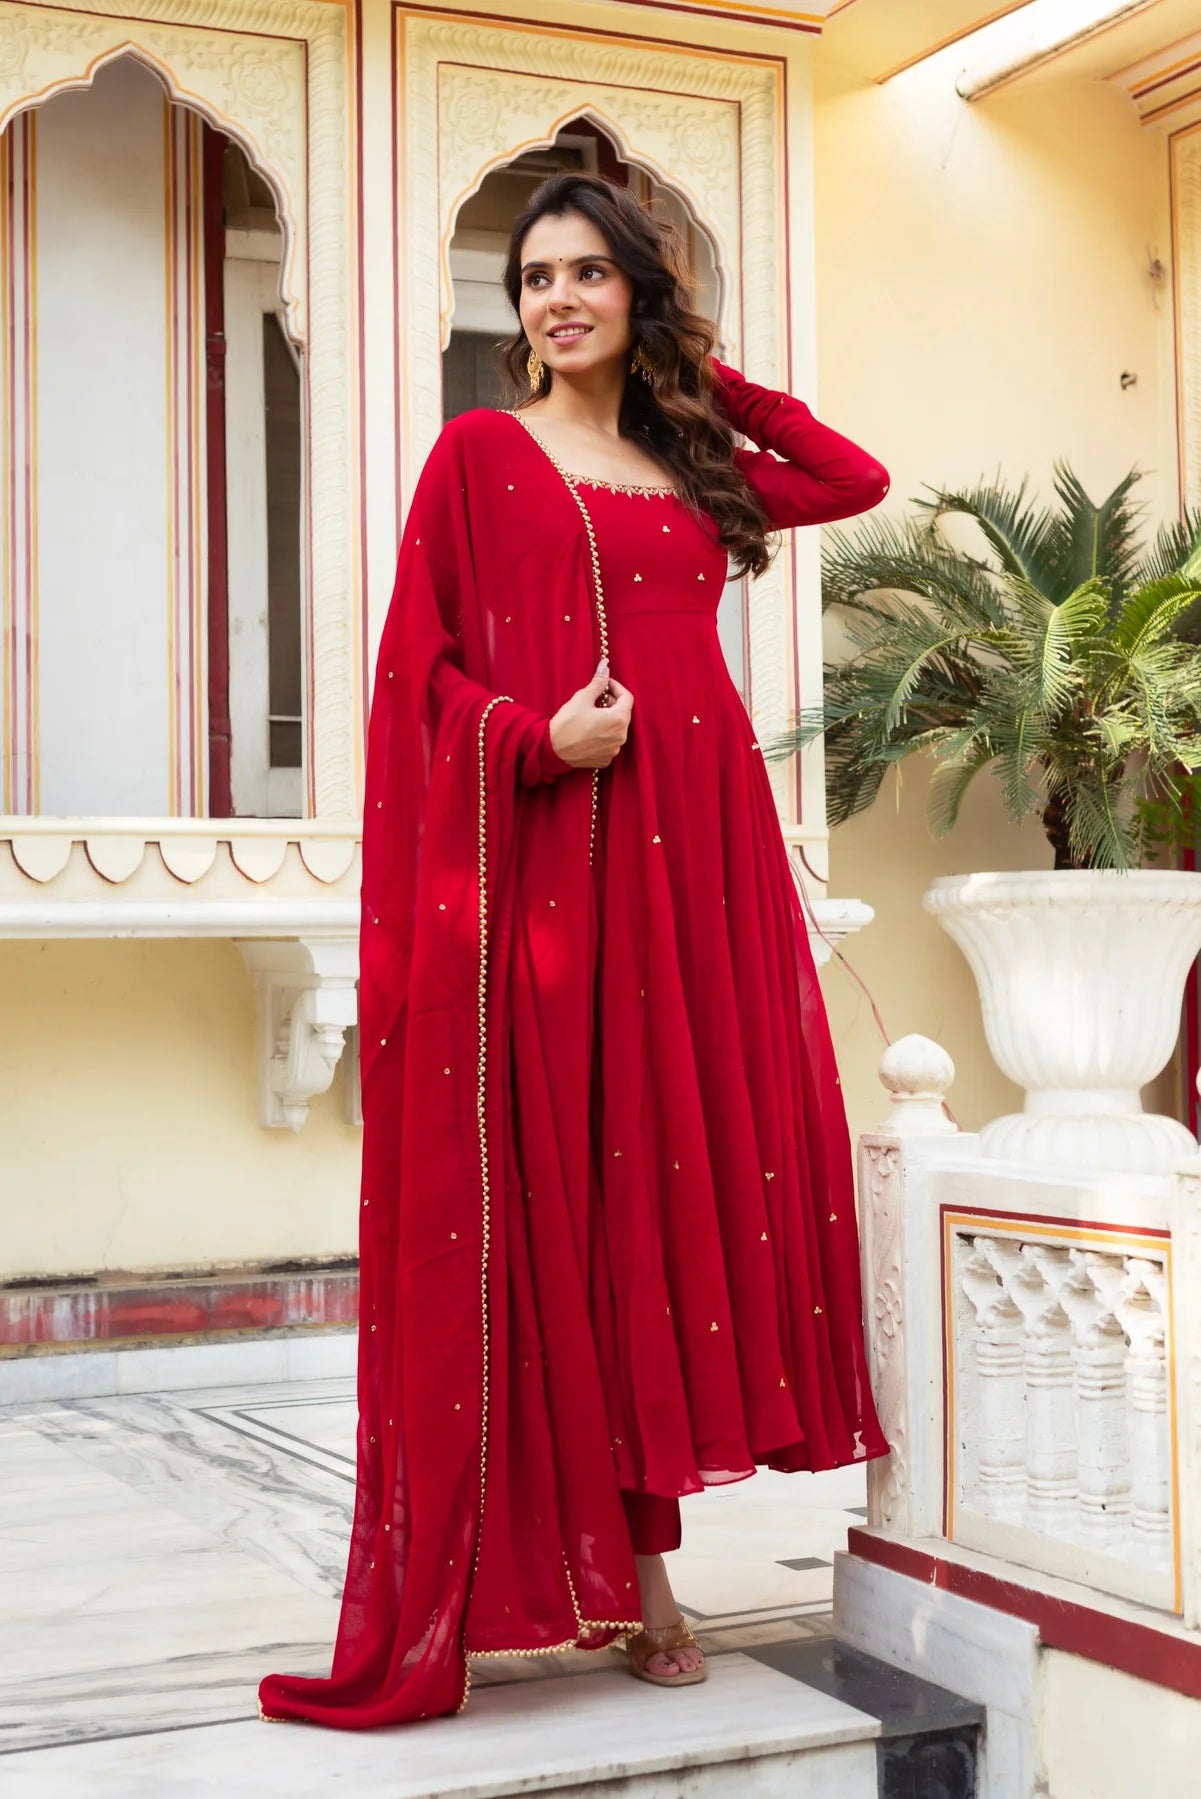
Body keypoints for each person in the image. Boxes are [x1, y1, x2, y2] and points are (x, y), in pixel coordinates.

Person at [259, 171, 890, 1731]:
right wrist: (534, 740)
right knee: (576, 1200)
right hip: (557, 873)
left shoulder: (689, 462)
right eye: (534, 277)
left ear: (637, 292)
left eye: (591, 275)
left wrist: (696, 367)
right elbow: (418, 673)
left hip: (704, 872)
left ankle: (651, 1567)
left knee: (672, 1192)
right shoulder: (480, 455)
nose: (556, 299)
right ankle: (634, 1586)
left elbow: (850, 474)